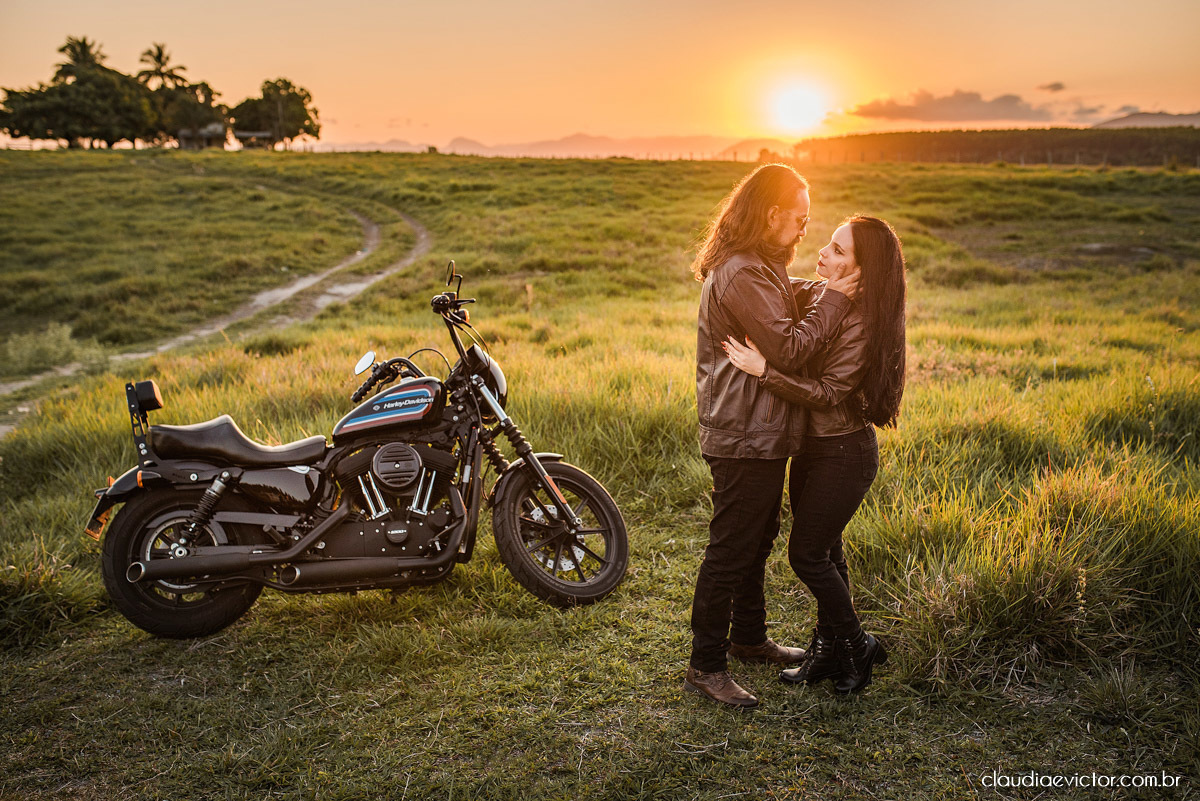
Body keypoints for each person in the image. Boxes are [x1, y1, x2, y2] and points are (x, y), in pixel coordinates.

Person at [687, 164, 860, 709]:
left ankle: (747, 639)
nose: (805, 229)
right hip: (742, 434)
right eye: (800, 218)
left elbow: (785, 303)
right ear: (771, 214)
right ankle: (706, 666)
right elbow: (787, 349)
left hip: (759, 431)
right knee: (731, 549)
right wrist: (835, 297)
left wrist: (830, 288)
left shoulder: (760, 267)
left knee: (755, 541)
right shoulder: (742, 273)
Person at [723, 215, 907, 694]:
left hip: (843, 453)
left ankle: (855, 643)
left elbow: (827, 393)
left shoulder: (864, 322)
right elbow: (779, 291)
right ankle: (828, 651)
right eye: (828, 244)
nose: (824, 252)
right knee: (828, 551)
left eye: (839, 251)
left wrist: (765, 371)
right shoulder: (832, 298)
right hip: (814, 450)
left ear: (863, 270)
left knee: (806, 556)